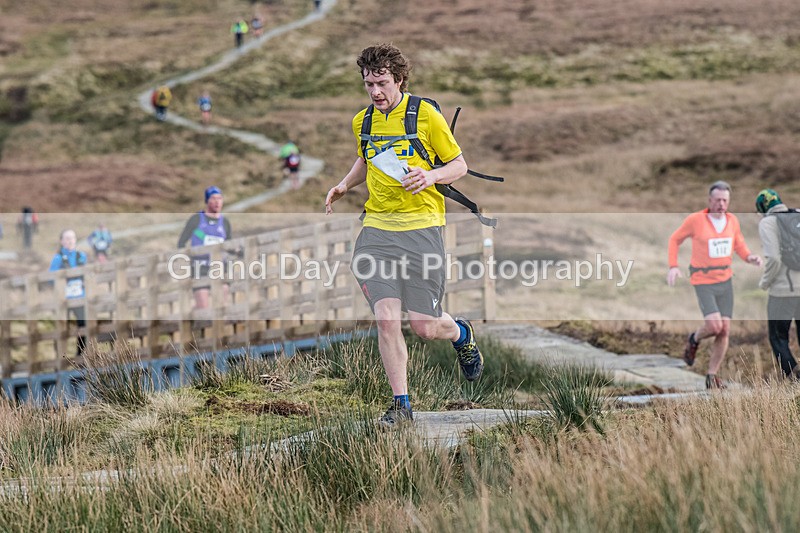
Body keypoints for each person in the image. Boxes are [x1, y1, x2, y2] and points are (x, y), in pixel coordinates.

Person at [324, 43, 483, 427]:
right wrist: (345, 185)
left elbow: (459, 164)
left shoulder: (424, 115)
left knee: (426, 327)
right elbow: (367, 157)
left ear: (398, 79)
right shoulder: (363, 121)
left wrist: (430, 176)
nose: (375, 92)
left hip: (422, 230)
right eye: (368, 84)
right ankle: (402, 406)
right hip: (377, 230)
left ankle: (460, 333)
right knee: (386, 319)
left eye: (381, 83)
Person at [667, 181, 762, 389]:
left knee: (724, 330)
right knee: (714, 326)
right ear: (709, 200)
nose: (721, 204)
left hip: (725, 280)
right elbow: (675, 239)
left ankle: (711, 377)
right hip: (703, 281)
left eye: (725, 200)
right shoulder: (696, 220)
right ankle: (694, 338)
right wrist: (673, 266)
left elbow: (739, 244)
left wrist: (750, 257)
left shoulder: (732, 221)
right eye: (717, 200)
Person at [755, 189, 800, 380]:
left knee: (778, 337)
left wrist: (765, 283)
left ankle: (794, 379)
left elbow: (773, 258)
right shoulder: (797, 214)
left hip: (783, 291)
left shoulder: (768, 222)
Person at [177, 186, 232, 310]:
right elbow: (181, 243)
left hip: (219, 268)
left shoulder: (225, 223)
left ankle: (219, 328)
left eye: (220, 198)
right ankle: (192, 318)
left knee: (222, 307)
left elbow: (229, 245)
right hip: (200, 268)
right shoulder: (196, 219)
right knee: (203, 308)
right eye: (213, 198)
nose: (217, 202)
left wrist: (239, 252)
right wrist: (187, 261)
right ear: (207, 201)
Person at [49, 229, 88, 356]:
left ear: (75, 240)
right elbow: (50, 279)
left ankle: (80, 355)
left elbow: (88, 275)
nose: (70, 241)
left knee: (83, 325)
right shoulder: (58, 258)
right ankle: (60, 357)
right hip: (64, 299)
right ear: (61, 241)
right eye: (67, 238)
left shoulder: (81, 256)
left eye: (72, 238)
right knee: (62, 327)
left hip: (80, 297)